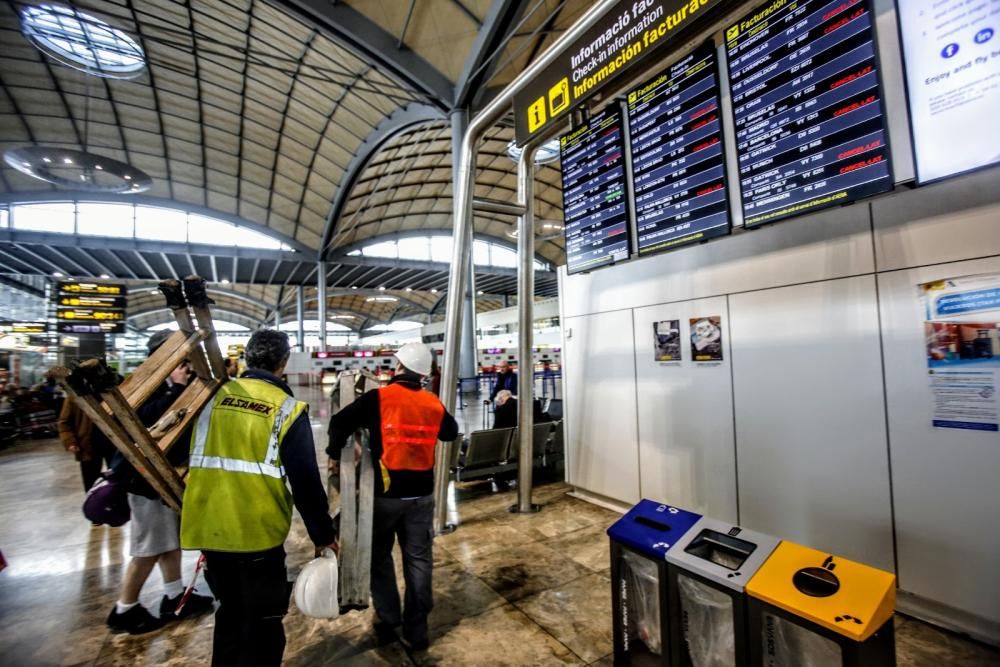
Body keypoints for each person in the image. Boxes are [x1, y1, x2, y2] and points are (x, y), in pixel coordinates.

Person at [181, 329, 337, 667]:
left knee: (230, 615)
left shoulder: (210, 399)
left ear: (248, 358)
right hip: (256, 535)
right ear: (283, 363)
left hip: (209, 531)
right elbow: (306, 483)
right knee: (264, 625)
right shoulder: (287, 409)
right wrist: (324, 536)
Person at [327, 341, 458, 650]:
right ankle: (417, 629)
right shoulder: (432, 403)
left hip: (385, 497)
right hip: (421, 497)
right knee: (419, 560)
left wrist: (336, 453)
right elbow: (450, 433)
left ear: (398, 367)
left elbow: (338, 423)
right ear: (423, 375)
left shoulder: (379, 398)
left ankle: (389, 618)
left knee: (379, 557)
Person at [106, 330, 214, 635]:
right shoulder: (146, 388)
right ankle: (124, 609)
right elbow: (142, 425)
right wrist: (174, 390)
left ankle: (174, 595)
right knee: (148, 548)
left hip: (166, 477)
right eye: (182, 361)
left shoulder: (172, 386)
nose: (187, 367)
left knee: (169, 543)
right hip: (144, 479)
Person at [57, 373, 116, 493]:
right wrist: (70, 441)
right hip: (88, 445)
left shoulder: (111, 394)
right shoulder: (75, 397)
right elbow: (64, 422)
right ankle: (93, 505)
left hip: (114, 444)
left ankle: (116, 505)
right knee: (91, 481)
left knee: (117, 477)